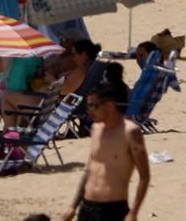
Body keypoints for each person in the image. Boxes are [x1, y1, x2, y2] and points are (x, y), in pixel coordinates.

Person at [61, 64, 149, 221]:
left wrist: (134, 212)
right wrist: (73, 206)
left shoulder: (130, 133)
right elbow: (90, 171)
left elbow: (144, 176)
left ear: (109, 106)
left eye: (93, 106)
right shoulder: (96, 130)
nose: (89, 111)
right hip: (87, 207)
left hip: (113, 209)